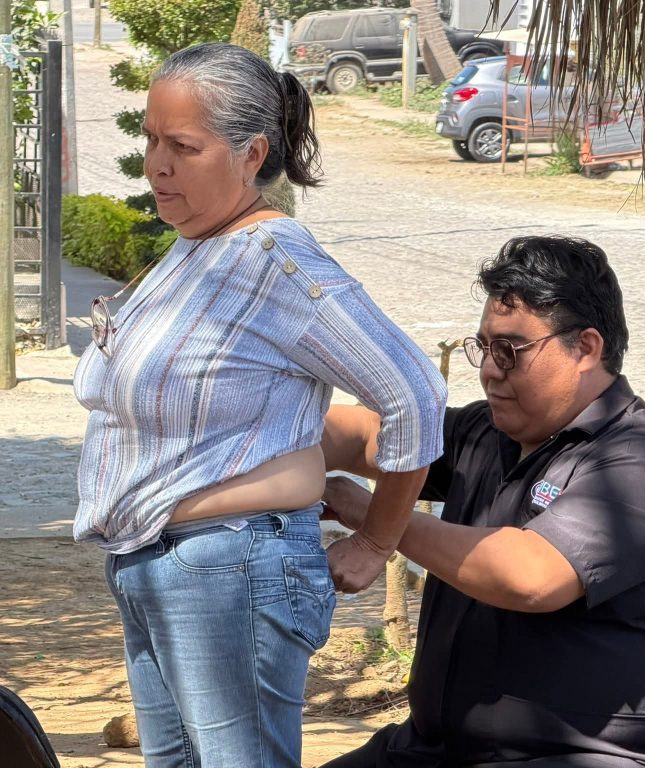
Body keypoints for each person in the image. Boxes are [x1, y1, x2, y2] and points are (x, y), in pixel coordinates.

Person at [72, 43, 446, 768]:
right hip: (157, 564)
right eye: (151, 140)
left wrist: (378, 541)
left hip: (230, 566)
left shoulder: (277, 262)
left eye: (183, 146)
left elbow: (415, 393)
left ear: (251, 154)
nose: (156, 166)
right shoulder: (195, 245)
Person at [319, 235, 645, 768]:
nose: (489, 369)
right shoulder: (489, 433)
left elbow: (530, 576)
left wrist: (376, 520)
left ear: (585, 349)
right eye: (484, 347)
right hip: (435, 749)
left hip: (585, 757)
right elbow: (369, 435)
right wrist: (271, 433)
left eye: (510, 350)